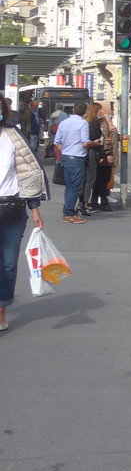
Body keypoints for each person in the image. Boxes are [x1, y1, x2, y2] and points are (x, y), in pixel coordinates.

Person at [0, 114, 47, 331]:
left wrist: (35, 208)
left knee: (8, 264)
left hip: (12, 209)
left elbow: (27, 173)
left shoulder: (13, 136)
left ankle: (1, 311)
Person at [53, 102, 94, 223]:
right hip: (76, 157)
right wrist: (95, 142)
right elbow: (85, 142)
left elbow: (57, 141)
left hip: (66, 156)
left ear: (73, 110)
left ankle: (67, 211)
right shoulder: (83, 123)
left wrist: (65, 150)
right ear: (84, 112)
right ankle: (69, 213)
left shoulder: (64, 123)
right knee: (76, 186)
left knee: (69, 186)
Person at [91, 102, 117, 211]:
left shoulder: (100, 122)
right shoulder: (100, 122)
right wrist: (108, 154)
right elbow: (110, 133)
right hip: (103, 154)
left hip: (104, 153)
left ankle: (97, 200)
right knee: (102, 179)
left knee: (102, 179)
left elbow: (112, 135)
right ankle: (101, 201)